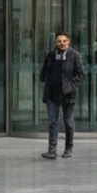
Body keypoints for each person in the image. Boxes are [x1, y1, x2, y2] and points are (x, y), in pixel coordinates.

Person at [39, 32, 85, 160]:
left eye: (64, 41)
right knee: (52, 122)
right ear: (56, 42)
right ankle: (52, 150)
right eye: (59, 41)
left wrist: (71, 86)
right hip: (52, 94)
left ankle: (68, 148)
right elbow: (44, 72)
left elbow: (81, 74)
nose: (62, 43)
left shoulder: (75, 55)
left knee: (68, 121)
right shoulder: (50, 56)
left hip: (67, 95)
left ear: (68, 41)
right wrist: (44, 80)